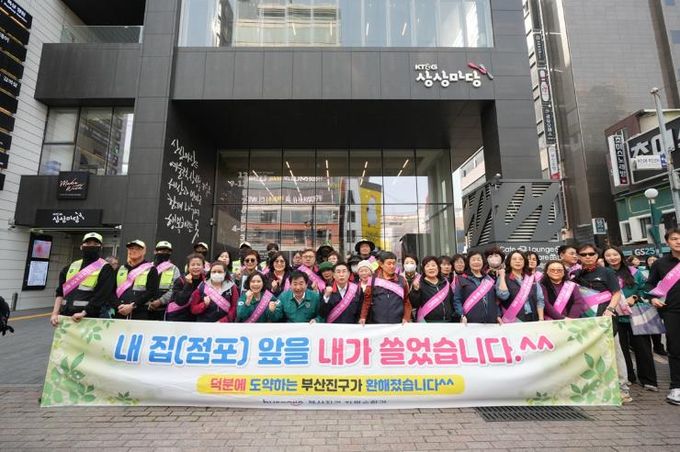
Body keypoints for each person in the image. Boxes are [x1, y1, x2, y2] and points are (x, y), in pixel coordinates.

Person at [603, 246, 658, 391]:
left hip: (635, 313)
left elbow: (645, 289)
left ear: (621, 255)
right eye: (608, 255)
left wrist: (635, 297)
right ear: (604, 258)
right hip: (614, 315)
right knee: (621, 349)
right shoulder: (603, 273)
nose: (612, 258)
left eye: (615, 254)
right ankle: (628, 376)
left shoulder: (634, 272)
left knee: (643, 347)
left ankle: (648, 379)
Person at [644, 227, 680, 405]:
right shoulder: (660, 263)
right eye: (674, 238)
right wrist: (652, 298)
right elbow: (649, 284)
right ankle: (676, 387)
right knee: (675, 348)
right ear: (667, 242)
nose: (678, 241)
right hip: (672, 311)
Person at [50, 232, 115, 326]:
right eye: (88, 243)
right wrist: (55, 313)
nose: (91, 246)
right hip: (65, 317)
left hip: (88, 319)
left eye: (95, 244)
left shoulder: (106, 268)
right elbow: (60, 292)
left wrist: (84, 313)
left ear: (101, 247)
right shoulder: (70, 267)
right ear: (81, 246)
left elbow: (101, 296)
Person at [360, 251, 411, 324]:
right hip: (377, 323)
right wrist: (363, 317)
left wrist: (406, 317)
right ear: (381, 264)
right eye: (389, 264)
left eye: (394, 263)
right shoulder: (373, 280)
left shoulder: (402, 280)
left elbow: (406, 301)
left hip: (398, 323)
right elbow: (367, 301)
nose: (392, 266)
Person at [113, 240, 159, 320]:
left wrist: (133, 306)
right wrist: (118, 305)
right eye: (131, 248)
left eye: (137, 249)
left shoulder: (151, 269)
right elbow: (111, 291)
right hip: (120, 311)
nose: (133, 251)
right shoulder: (120, 269)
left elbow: (151, 292)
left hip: (140, 313)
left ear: (144, 251)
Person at [453, 251, 502, 324]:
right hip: (470, 321)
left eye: (479, 259)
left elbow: (495, 300)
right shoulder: (462, 279)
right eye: (473, 260)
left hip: (491, 321)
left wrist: (498, 315)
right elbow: (457, 300)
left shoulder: (489, 279)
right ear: (468, 262)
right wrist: (462, 315)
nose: (476, 262)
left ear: (483, 262)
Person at [496, 250, 545, 323]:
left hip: (533, 317)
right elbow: (503, 296)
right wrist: (502, 277)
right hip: (514, 319)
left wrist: (541, 319)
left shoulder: (531, 278)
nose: (518, 261)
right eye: (514, 259)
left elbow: (540, 299)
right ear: (509, 261)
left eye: (521, 259)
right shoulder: (504, 277)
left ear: (525, 262)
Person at [410, 256, 455, 323]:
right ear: (423, 269)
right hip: (427, 323)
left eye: (433, 265)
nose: (431, 268)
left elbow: (452, 301)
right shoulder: (418, 283)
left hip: (447, 322)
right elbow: (414, 304)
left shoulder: (445, 283)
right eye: (427, 266)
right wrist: (415, 291)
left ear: (438, 268)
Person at [147, 241, 181, 321]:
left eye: (167, 251)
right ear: (155, 251)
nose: (164, 253)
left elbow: (175, 289)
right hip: (145, 308)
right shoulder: (146, 268)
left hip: (164, 310)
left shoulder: (174, 269)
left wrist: (160, 301)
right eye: (161, 250)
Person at [166, 253, 205, 322]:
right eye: (193, 265)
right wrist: (188, 284)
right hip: (178, 316)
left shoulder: (206, 281)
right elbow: (180, 301)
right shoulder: (180, 280)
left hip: (197, 317)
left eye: (198, 265)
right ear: (188, 267)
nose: (196, 267)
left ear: (203, 266)